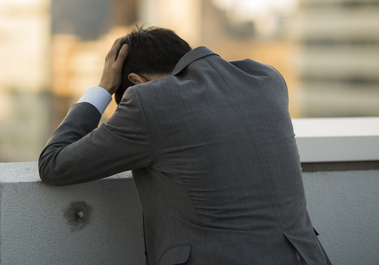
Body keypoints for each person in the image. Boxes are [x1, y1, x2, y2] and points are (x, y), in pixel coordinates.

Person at [39, 27, 331, 265]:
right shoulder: (267, 79)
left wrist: (102, 89)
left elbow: (54, 164)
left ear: (137, 82)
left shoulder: (148, 101)